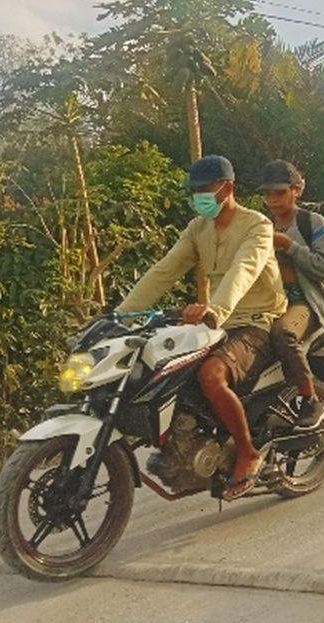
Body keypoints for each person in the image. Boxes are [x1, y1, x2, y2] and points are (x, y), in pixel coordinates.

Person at [117, 155, 287, 500]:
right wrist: (121, 315)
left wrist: (215, 310)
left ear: (228, 188)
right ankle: (187, 444)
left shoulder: (257, 226)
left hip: (256, 321)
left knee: (211, 375)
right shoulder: (198, 229)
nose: (199, 197)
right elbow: (163, 271)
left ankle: (247, 452)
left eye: (205, 190)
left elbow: (245, 269)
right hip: (218, 324)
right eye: (194, 191)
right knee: (166, 371)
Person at [258, 160, 324, 430]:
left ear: (296, 190)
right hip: (270, 303)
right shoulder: (261, 227)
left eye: (279, 192)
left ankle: (309, 398)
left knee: (284, 333)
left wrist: (289, 246)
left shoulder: (312, 222)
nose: (272, 199)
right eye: (268, 194)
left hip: (305, 302)